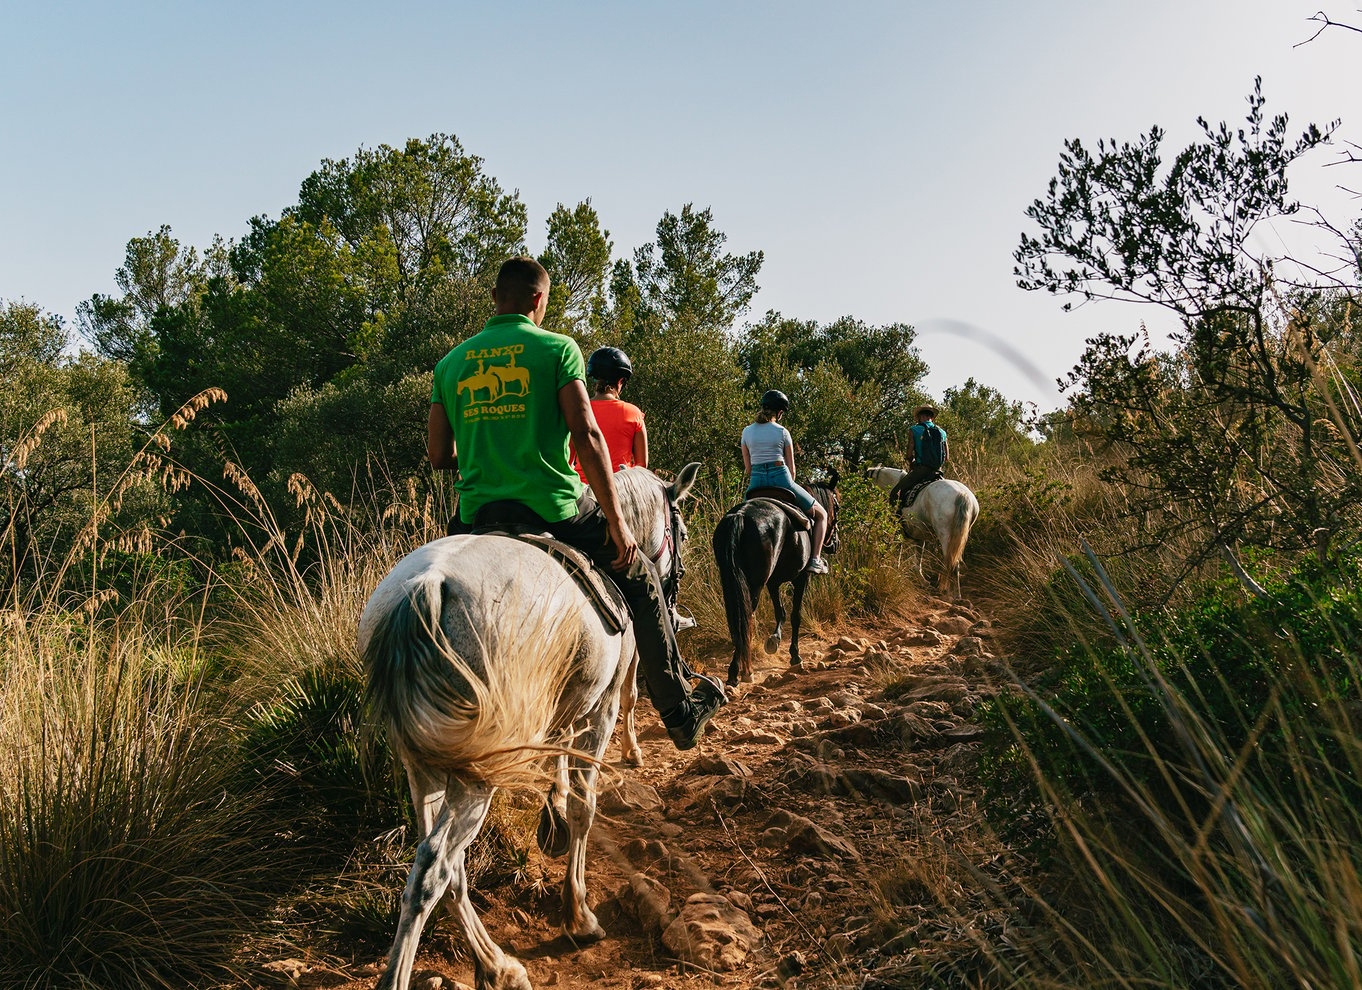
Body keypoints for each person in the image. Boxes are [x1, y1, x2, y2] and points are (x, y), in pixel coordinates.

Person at [427, 257, 725, 750]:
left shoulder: (450, 364)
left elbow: (439, 455)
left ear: (495, 296)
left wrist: (488, 438)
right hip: (555, 509)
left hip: (475, 514)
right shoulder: (558, 349)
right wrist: (618, 525)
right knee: (642, 578)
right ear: (539, 300)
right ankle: (680, 711)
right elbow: (586, 434)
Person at [740, 390, 830, 574]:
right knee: (821, 515)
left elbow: (748, 470)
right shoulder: (782, 432)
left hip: (756, 483)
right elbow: (792, 470)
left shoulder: (747, 432)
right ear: (780, 413)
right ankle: (815, 560)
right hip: (781, 479)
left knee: (740, 518)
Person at [569, 346, 647, 481]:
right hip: (620, 489)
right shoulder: (633, 413)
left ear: (593, 378)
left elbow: (568, 460)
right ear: (620, 381)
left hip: (584, 489)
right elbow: (641, 465)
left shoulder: (578, 411)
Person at [889, 404, 948, 509]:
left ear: (920, 417)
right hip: (938, 471)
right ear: (932, 417)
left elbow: (909, 453)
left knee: (895, 493)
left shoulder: (914, 429)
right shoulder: (942, 432)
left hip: (921, 470)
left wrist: (911, 461)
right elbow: (946, 458)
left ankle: (897, 521)